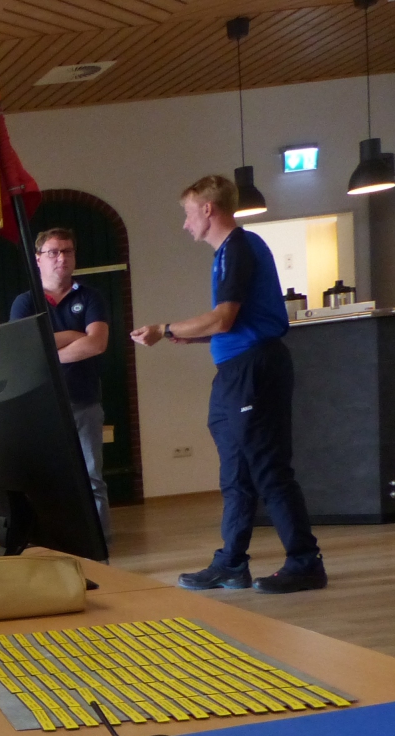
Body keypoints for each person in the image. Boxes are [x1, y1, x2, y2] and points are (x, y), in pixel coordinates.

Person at [131, 175, 327, 594]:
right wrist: (194, 336)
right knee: (235, 471)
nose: (185, 224)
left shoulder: (239, 247)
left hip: (254, 370)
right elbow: (233, 322)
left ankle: (305, 562)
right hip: (235, 373)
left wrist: (165, 329)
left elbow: (224, 318)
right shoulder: (227, 252)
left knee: (268, 467)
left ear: (208, 209)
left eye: (188, 214)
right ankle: (231, 563)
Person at [9, 227, 113, 541]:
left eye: (67, 251)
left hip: (84, 401)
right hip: (40, 407)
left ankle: (98, 544)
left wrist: (48, 353)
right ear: (38, 259)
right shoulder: (25, 302)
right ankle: (53, 542)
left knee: (92, 478)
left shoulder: (91, 297)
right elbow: (23, 351)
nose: (61, 258)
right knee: (45, 479)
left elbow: (97, 343)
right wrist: (73, 335)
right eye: (53, 252)